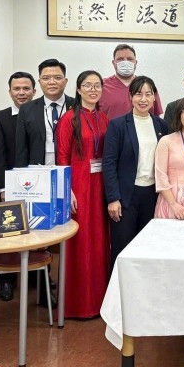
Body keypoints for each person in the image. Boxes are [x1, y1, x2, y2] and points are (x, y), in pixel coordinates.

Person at [55, 70, 110, 318]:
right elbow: (61, 158)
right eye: (87, 85)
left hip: (100, 186)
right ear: (78, 90)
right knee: (80, 243)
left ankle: (99, 302)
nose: (92, 89)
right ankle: (77, 304)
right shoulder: (68, 119)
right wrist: (69, 191)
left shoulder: (104, 118)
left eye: (97, 85)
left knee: (100, 242)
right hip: (78, 186)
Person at [104, 76, 169, 269]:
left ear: (154, 97)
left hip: (151, 194)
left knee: (146, 247)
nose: (144, 99)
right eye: (139, 94)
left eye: (148, 94)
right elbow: (109, 163)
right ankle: (116, 296)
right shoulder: (118, 125)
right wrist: (113, 198)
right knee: (121, 248)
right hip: (125, 196)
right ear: (131, 96)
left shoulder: (161, 125)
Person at [0, 71, 36, 301]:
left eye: (26, 88)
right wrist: (2, 187)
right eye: (17, 89)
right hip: (11, 186)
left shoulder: (41, 114)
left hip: (38, 185)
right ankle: (7, 281)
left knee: (39, 233)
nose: (21, 93)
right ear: (10, 92)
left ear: (34, 91)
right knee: (9, 233)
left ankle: (39, 277)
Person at [15, 59, 75, 167]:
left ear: (65, 81)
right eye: (46, 78)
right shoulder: (26, 109)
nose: (51, 82)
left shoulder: (77, 106)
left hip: (72, 168)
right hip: (37, 170)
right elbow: (21, 148)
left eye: (57, 78)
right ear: (39, 82)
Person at [99, 44, 163, 120]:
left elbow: (156, 117)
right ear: (113, 63)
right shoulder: (101, 86)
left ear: (135, 62)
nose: (125, 62)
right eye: (120, 59)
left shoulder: (147, 86)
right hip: (110, 131)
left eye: (129, 59)